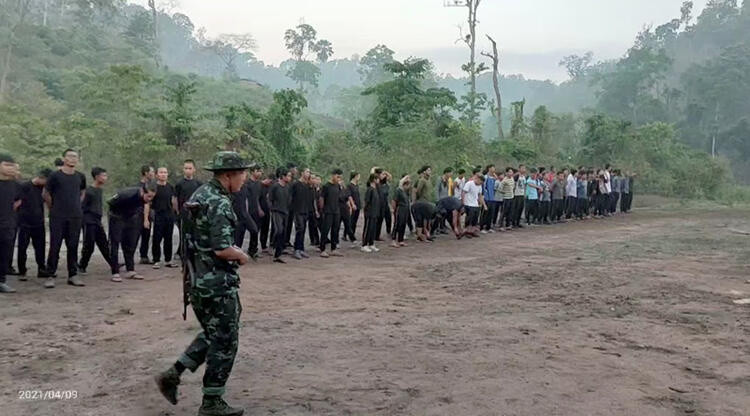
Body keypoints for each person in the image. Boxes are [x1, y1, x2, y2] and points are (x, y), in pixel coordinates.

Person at [155, 151, 250, 416]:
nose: (244, 178)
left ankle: (173, 374)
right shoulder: (218, 202)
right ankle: (212, 402)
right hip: (217, 283)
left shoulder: (199, 194)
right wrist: (241, 255)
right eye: (242, 173)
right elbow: (222, 249)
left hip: (197, 280)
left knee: (212, 333)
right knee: (226, 339)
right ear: (228, 175)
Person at [43, 148, 87, 288]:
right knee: (55, 246)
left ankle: (72, 275)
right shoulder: (55, 176)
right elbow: (45, 193)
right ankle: (50, 275)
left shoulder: (80, 176)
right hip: (58, 216)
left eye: (75, 157)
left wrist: (77, 205)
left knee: (73, 246)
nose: (73, 159)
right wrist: (53, 207)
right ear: (64, 158)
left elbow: (83, 192)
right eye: (70, 156)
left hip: (75, 216)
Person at [108, 182, 157, 282]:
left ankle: (130, 270)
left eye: (152, 197)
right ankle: (115, 272)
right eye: (148, 196)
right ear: (143, 191)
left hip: (130, 218)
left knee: (130, 243)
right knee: (115, 243)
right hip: (117, 217)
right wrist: (117, 215)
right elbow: (110, 202)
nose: (149, 199)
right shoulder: (127, 194)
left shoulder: (145, 199)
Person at [17, 168, 52, 280]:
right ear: (41, 177)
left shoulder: (43, 189)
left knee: (40, 247)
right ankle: (22, 271)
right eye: (47, 181)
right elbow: (16, 202)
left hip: (39, 222)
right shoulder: (24, 186)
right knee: (22, 247)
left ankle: (41, 269)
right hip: (24, 222)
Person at [78, 167, 113, 275]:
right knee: (89, 244)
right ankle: (82, 265)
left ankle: (113, 264)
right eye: (103, 175)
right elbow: (82, 206)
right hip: (89, 220)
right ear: (97, 177)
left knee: (104, 243)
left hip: (97, 220)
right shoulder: (89, 191)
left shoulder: (99, 190)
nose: (105, 178)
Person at [0, 154, 21, 293]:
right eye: (6, 165)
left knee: (4, 253)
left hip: (7, 224)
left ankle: (1, 281)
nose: (10, 168)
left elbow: (18, 201)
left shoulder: (16, 185)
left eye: (12, 165)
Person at [175, 160, 203, 260]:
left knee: (195, 233)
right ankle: (183, 253)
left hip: (196, 213)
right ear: (183, 169)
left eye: (190, 168)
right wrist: (177, 211)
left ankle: (196, 253)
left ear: (194, 169)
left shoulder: (198, 183)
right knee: (184, 234)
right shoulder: (179, 184)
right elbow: (175, 198)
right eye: (186, 168)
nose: (188, 170)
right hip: (184, 213)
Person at [151, 167, 178, 269]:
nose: (163, 174)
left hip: (169, 215)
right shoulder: (154, 187)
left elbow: (173, 200)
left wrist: (176, 212)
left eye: (165, 172)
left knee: (168, 238)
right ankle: (156, 260)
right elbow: (149, 202)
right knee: (157, 238)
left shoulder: (170, 187)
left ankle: (168, 260)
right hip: (158, 215)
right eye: (161, 172)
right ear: (157, 175)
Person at [230, 170, 258, 259]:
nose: (244, 177)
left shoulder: (246, 187)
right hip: (236, 215)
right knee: (238, 236)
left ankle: (252, 250)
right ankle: (236, 255)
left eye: (245, 174)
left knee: (254, 230)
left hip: (245, 214)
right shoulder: (233, 188)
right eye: (242, 174)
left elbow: (249, 200)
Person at [319, 169, 344, 258]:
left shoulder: (338, 186)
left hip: (336, 210)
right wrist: (321, 210)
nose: (339, 178)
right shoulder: (326, 186)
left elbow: (341, 197)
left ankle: (333, 249)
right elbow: (321, 198)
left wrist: (342, 187)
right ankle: (322, 249)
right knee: (325, 230)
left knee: (335, 229)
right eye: (337, 176)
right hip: (328, 211)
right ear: (333, 175)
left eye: (340, 177)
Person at [269, 167, 292, 264]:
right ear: (283, 176)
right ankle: (273, 245)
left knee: (283, 232)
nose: (290, 178)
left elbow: (289, 199)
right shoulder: (275, 186)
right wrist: (272, 209)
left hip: (285, 212)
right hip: (276, 211)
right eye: (288, 176)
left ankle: (278, 254)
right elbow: (269, 198)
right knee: (279, 230)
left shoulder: (287, 187)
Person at [290, 168, 313, 260]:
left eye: (309, 172)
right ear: (302, 173)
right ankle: (296, 249)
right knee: (300, 228)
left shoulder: (307, 185)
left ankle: (301, 248)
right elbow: (291, 196)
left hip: (306, 210)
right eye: (307, 172)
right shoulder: (296, 184)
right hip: (297, 210)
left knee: (303, 230)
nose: (308, 174)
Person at [243, 164, 263, 259]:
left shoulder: (259, 184)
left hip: (256, 211)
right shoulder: (247, 184)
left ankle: (253, 249)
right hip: (248, 211)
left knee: (256, 231)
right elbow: (245, 198)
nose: (260, 173)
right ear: (253, 171)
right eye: (258, 171)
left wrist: (260, 209)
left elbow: (258, 198)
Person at [138, 165, 156, 264]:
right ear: (146, 173)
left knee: (146, 235)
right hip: (139, 214)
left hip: (148, 214)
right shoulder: (140, 186)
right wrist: (145, 218)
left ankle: (144, 256)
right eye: (152, 171)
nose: (153, 173)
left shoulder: (150, 185)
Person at [462, 172, 486, 238]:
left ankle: (472, 231)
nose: (480, 183)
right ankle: (467, 231)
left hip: (475, 204)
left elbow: (479, 195)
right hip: (469, 204)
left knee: (475, 219)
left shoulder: (479, 186)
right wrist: (463, 203)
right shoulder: (469, 184)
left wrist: (482, 203)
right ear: (477, 179)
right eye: (480, 181)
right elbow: (463, 192)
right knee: (469, 219)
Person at [390, 175, 411, 248]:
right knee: (397, 224)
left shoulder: (404, 192)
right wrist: (393, 209)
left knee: (403, 224)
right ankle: (393, 240)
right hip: (400, 209)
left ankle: (400, 240)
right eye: (407, 185)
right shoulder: (398, 190)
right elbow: (394, 200)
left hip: (405, 210)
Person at [361, 173, 380, 253]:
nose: (379, 180)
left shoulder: (375, 189)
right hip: (370, 213)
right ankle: (364, 245)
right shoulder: (370, 189)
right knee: (368, 229)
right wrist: (365, 211)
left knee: (373, 229)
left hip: (375, 212)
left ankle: (371, 243)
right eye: (377, 179)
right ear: (374, 180)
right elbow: (366, 201)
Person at [374, 168, 392, 241]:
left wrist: (385, 172)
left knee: (389, 218)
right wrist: (377, 172)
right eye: (382, 174)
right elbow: (372, 172)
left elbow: (390, 177)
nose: (384, 176)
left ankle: (388, 231)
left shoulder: (385, 183)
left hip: (385, 203)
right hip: (379, 204)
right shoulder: (377, 183)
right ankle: (376, 236)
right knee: (379, 219)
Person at [481, 165, 499, 233]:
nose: (494, 169)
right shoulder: (485, 177)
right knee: (485, 213)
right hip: (486, 198)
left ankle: (488, 227)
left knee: (491, 213)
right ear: (489, 169)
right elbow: (484, 187)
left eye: (494, 168)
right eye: (492, 168)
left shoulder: (493, 177)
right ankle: (482, 227)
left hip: (492, 198)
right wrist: (484, 196)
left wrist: (494, 175)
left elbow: (496, 181)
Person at [347, 172, 361, 246]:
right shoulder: (349, 185)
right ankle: (351, 237)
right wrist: (352, 204)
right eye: (358, 176)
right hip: (353, 205)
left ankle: (353, 236)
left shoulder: (356, 185)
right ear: (355, 176)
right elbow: (349, 196)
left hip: (358, 205)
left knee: (355, 222)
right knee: (351, 221)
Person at [308, 175, 321, 248]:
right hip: (311, 209)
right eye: (315, 179)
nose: (317, 181)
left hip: (318, 209)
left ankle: (318, 240)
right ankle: (314, 240)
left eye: (318, 179)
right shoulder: (311, 188)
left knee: (317, 224)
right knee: (312, 225)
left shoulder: (320, 189)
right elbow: (314, 201)